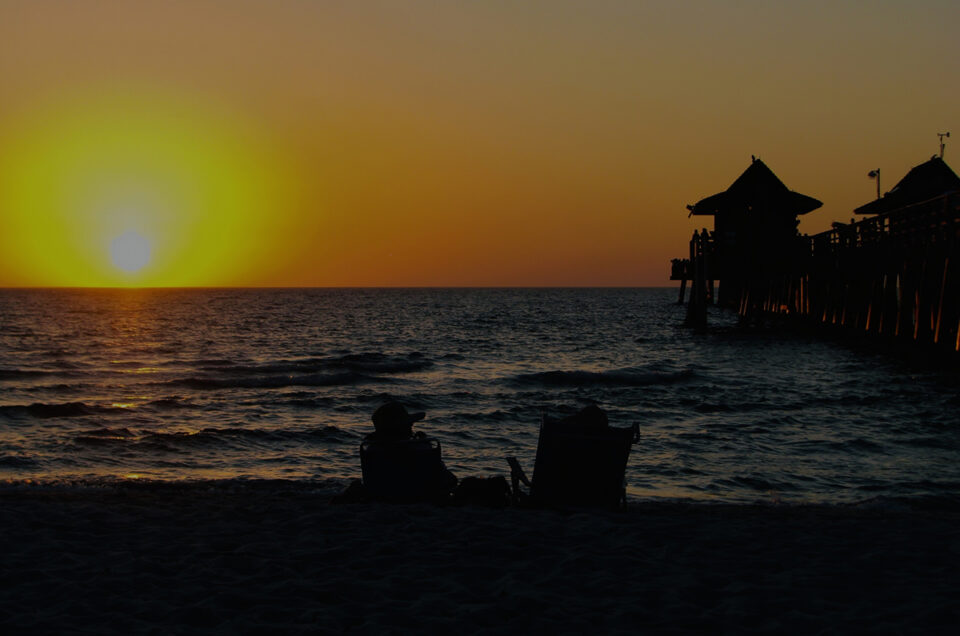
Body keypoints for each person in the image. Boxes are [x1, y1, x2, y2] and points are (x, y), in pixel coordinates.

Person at [359, 401, 457, 502]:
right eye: (409, 423)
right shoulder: (421, 449)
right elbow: (450, 480)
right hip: (424, 500)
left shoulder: (372, 451)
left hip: (386, 500)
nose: (412, 424)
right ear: (404, 426)